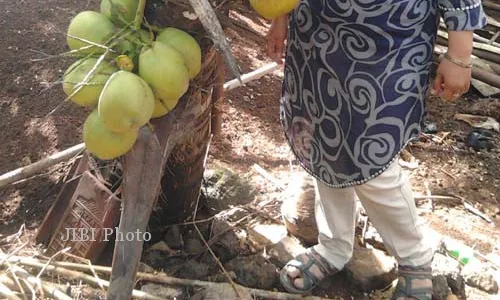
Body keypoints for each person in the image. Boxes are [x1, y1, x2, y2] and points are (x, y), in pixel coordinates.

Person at [266, 0, 487, 299]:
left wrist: (460, 54)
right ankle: (334, 246)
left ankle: (414, 257)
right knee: (322, 144)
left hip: (390, 46)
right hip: (316, 38)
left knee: (372, 159)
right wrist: (279, 13)